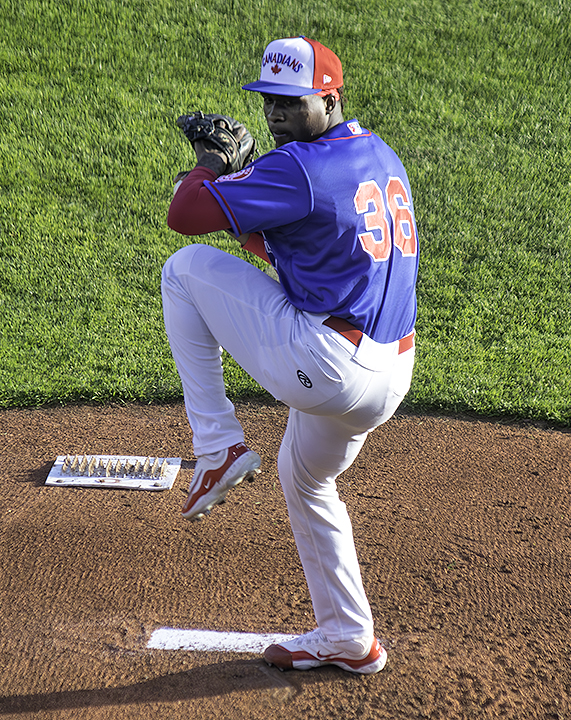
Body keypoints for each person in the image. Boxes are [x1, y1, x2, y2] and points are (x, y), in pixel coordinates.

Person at [161, 36, 419, 674]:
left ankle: (217, 445)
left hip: (329, 366)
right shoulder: (378, 155)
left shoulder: (297, 169)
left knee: (184, 270)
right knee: (306, 480)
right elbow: (293, 249)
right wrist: (240, 188)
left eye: (290, 101)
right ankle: (346, 636)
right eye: (268, 101)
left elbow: (184, 214)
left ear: (328, 96)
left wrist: (207, 169)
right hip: (389, 374)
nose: (276, 114)